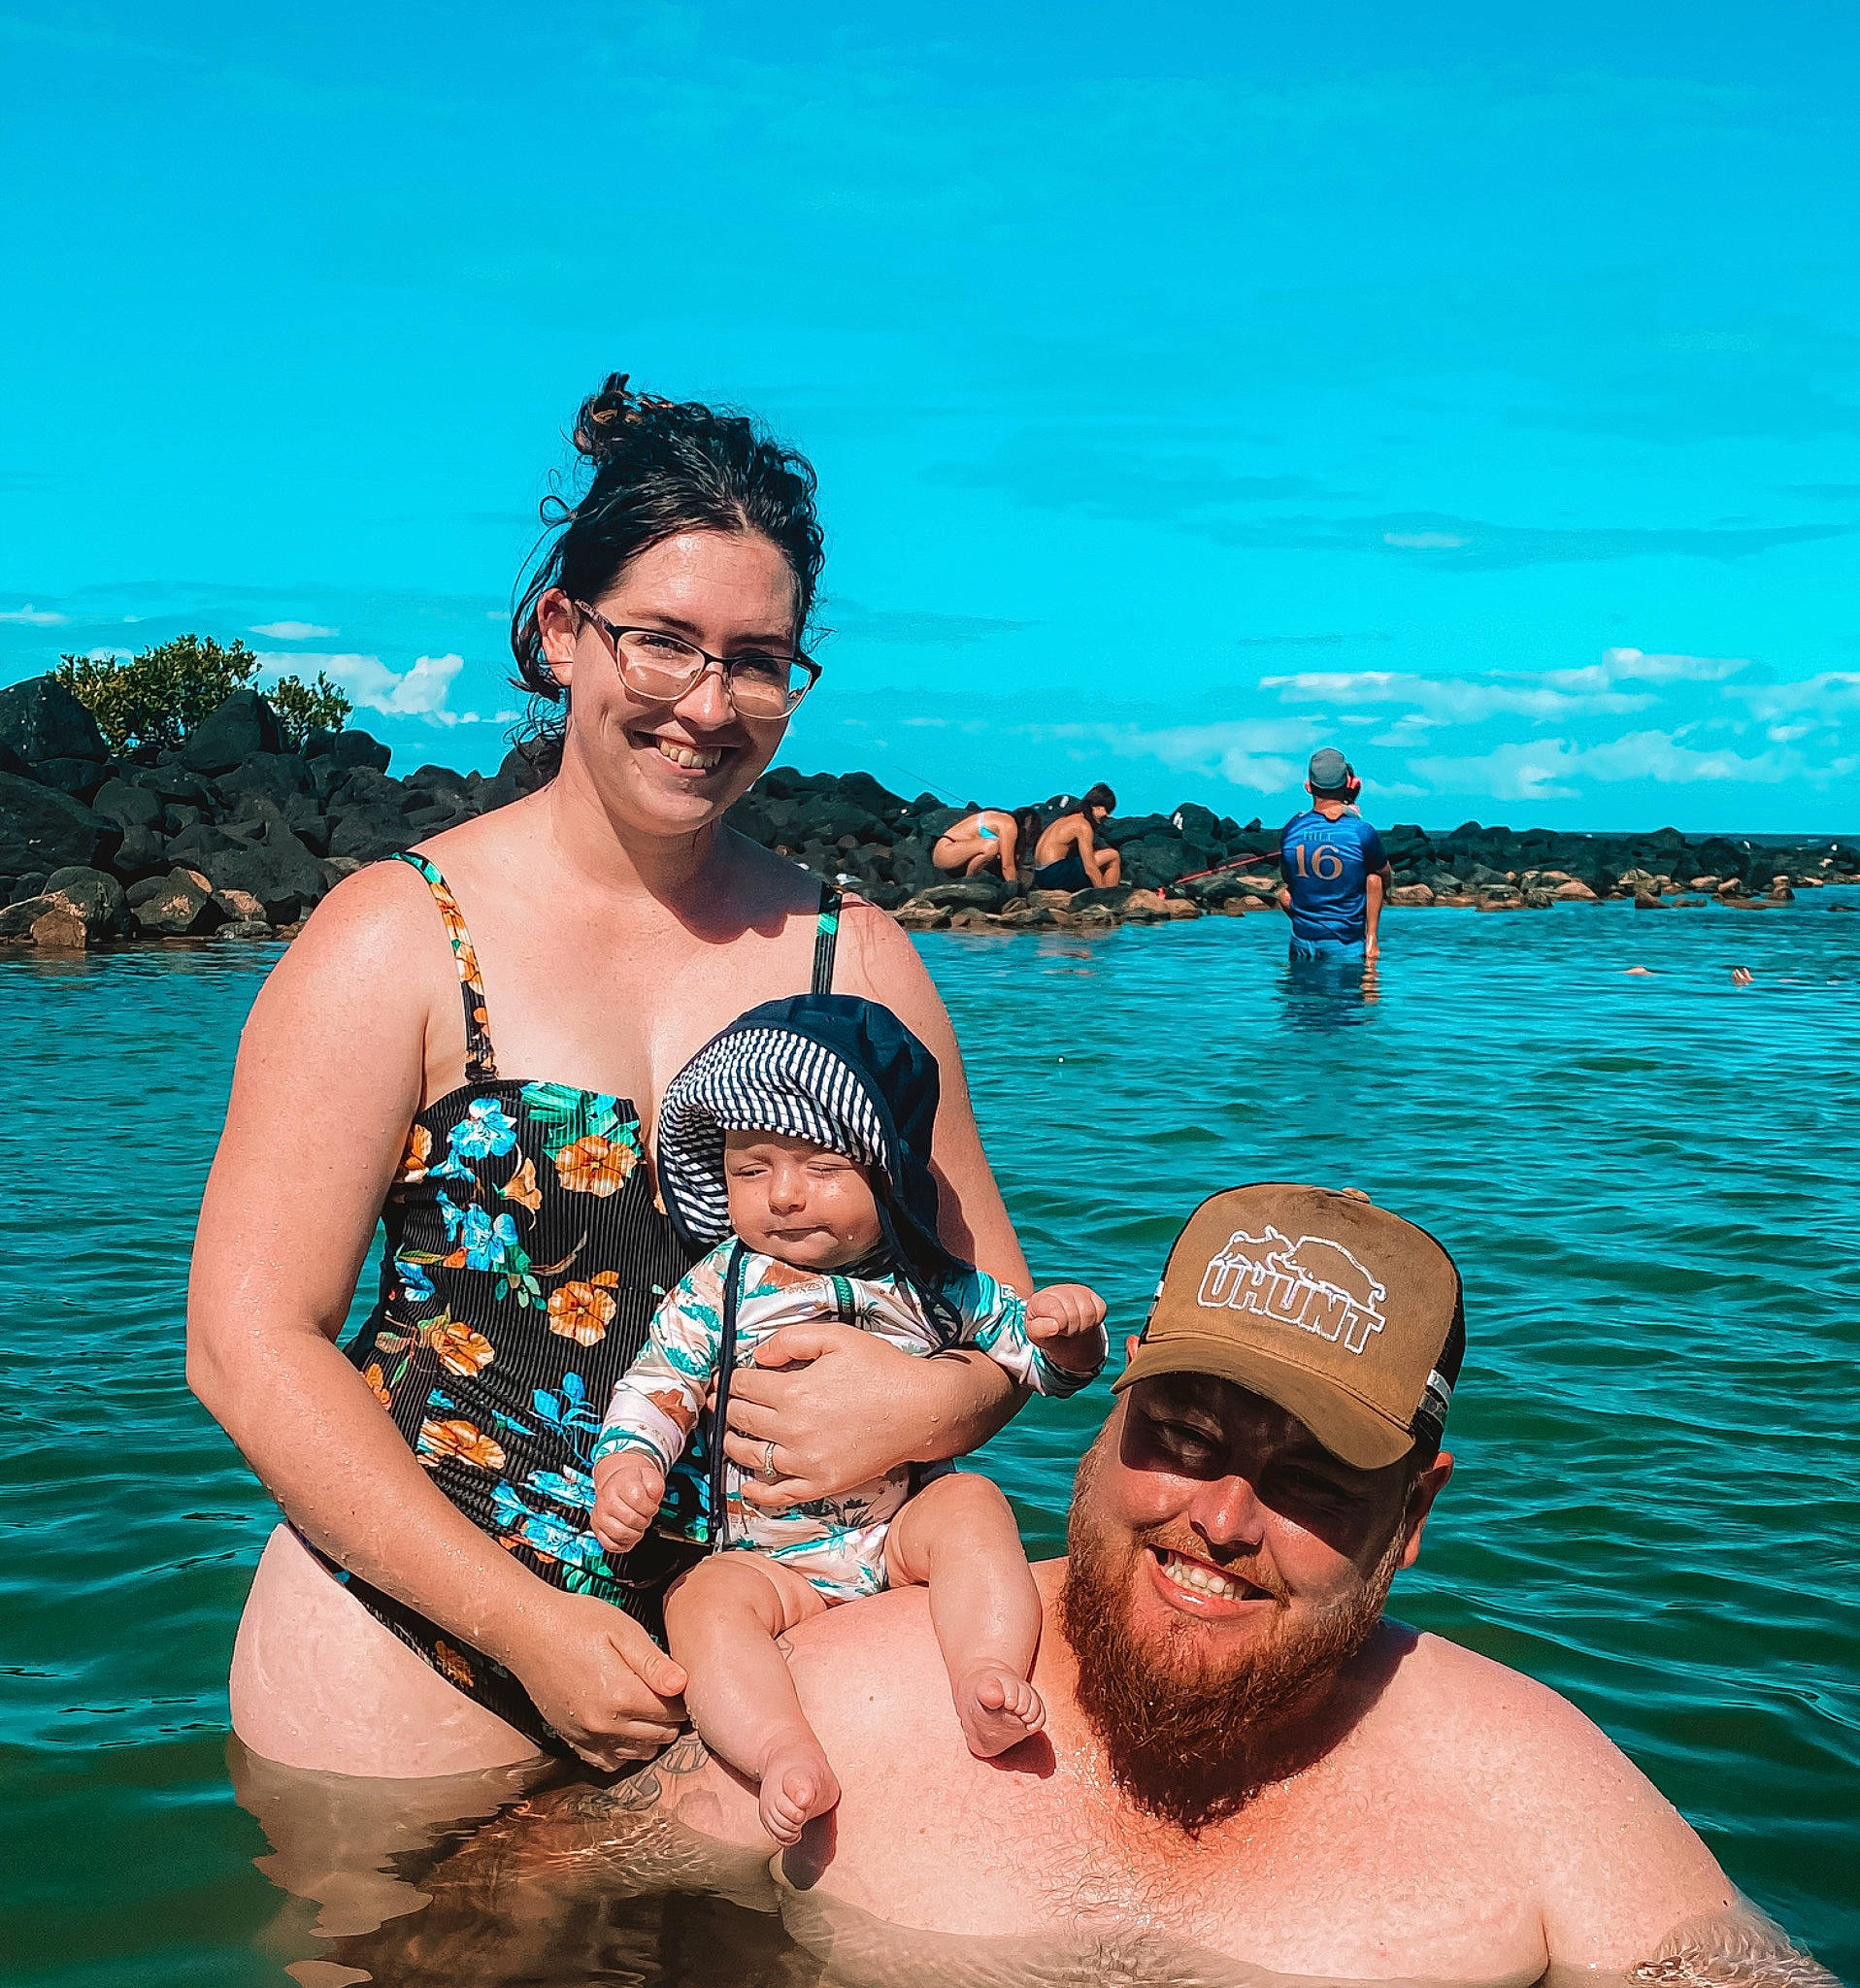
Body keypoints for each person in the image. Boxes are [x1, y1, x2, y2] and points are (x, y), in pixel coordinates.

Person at [186, 372, 1039, 1786]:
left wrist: (927, 1407)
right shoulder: (397, 935)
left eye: (759, 659)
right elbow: (247, 1340)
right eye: (664, 644)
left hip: (777, 1641)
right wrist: (522, 1624)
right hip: (421, 1651)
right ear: (562, 633)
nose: (710, 704)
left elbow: (989, 1303)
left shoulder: (858, 959)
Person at [342, 1182, 1830, 1987]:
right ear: (1106, 1423)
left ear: (1413, 1517)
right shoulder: (850, 1704)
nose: (1222, 1518)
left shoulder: (1533, 1793)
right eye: (1182, 1441)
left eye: (1312, 1481)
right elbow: (515, 1907)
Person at [589, 993, 1108, 1843]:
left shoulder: (931, 1283)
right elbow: (656, 1386)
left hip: (894, 1536)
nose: (784, 1197)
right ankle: (779, 1749)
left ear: (889, 1173)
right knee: (704, 1601)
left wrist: (1070, 1337)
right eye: (751, 1170)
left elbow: (1034, 1364)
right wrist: (629, 1467)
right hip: (767, 1556)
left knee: (972, 1503)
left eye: (823, 1168)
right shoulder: (716, 1287)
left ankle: (987, 1674)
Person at [1277, 747, 1392, 962]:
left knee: (1284, 894)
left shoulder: (1292, 828)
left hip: (1301, 942)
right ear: (1348, 784)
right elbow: (1384, 876)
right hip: (1345, 947)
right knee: (1373, 877)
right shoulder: (1361, 831)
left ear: (1308, 787)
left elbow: (1288, 878)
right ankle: (1371, 940)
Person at [1030, 781, 1121, 892]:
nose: (1108, 815)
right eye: (1107, 810)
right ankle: (1110, 896)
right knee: (1113, 855)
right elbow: (1089, 867)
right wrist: (1100, 892)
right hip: (1053, 874)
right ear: (1095, 806)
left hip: (1040, 875)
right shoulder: (1082, 825)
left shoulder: (1066, 819)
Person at [930, 808, 1035, 883]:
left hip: (951, 853)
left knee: (996, 851)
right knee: (991, 847)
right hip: (947, 851)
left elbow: (1011, 861)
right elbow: (1007, 866)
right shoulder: (1008, 824)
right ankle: (970, 881)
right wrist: (1014, 888)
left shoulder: (1002, 819)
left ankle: (971, 880)